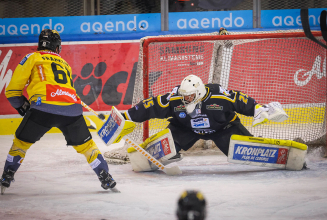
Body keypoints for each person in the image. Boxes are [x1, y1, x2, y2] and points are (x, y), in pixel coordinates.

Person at [0, 29, 116, 194]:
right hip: (72, 110)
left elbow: (11, 92)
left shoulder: (32, 58)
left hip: (42, 109)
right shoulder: (64, 63)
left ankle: (7, 175)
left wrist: (22, 107)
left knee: (21, 143)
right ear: (56, 47)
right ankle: (104, 175)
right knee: (88, 146)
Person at [122, 74, 274, 160]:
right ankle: (170, 151)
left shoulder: (219, 95)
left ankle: (260, 145)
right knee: (164, 150)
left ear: (199, 93)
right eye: (183, 96)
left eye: (189, 96)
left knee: (248, 153)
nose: (185, 99)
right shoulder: (175, 98)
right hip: (187, 128)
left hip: (223, 128)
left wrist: (257, 108)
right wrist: (126, 116)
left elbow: (240, 99)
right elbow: (151, 105)